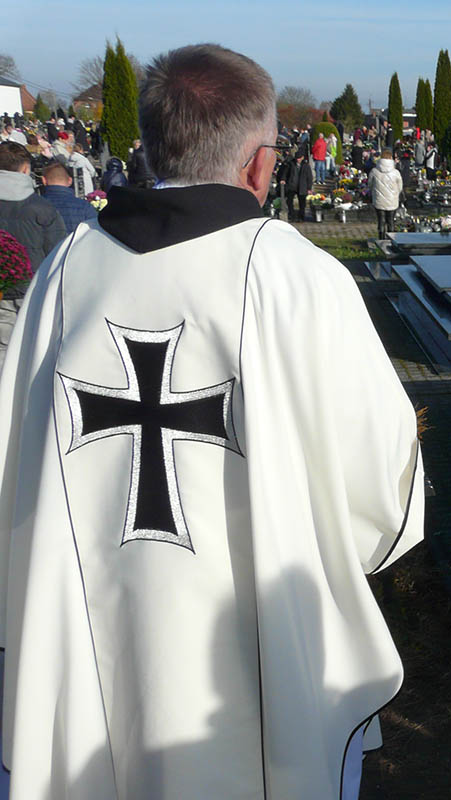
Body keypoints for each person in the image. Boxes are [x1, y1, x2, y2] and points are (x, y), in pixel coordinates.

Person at [0, 43, 425, 799]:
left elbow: (14, 468)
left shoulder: (63, 272)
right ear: (261, 164)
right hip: (262, 668)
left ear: (148, 146)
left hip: (90, 660)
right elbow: (379, 490)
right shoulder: (300, 278)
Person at [0, 141, 66, 270]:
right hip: (33, 278)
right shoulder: (44, 208)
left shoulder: (43, 208)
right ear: (25, 169)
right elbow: (58, 255)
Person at [39, 160, 98, 230]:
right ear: (70, 181)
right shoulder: (85, 207)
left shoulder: (34, 206)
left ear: (44, 180)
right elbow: (95, 232)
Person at [369, 148, 404, 240]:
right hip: (392, 200)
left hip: (379, 200)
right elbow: (400, 187)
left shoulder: (374, 171)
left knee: (381, 221)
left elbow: (370, 184)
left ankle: (381, 240)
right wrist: (395, 193)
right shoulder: (396, 172)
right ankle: (391, 241)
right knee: (391, 221)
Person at [284, 149, 313, 222]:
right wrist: (283, 179)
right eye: (297, 158)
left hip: (302, 186)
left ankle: (301, 217)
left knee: (302, 203)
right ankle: (292, 215)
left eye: (299, 158)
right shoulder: (291, 164)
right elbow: (285, 173)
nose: (298, 160)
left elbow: (309, 177)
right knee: (289, 201)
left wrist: (309, 188)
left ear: (302, 157)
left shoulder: (306, 165)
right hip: (292, 185)